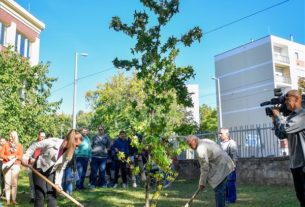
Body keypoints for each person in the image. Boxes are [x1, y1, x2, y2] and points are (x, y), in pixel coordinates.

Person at [22, 129, 83, 207]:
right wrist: (26, 157)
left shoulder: (69, 153)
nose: (77, 148)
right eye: (76, 145)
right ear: (71, 141)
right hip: (39, 169)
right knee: (41, 194)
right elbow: (35, 145)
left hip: (51, 171)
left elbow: (61, 169)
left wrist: (58, 183)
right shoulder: (53, 142)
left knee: (52, 194)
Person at [272, 89, 305, 207]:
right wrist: (274, 119)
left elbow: (285, 128)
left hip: (303, 164)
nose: (285, 102)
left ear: (297, 99)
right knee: (301, 197)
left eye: (287, 99)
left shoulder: (302, 115)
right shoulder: (291, 117)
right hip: (296, 164)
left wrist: (277, 115)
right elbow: (281, 134)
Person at [186, 135, 235, 207]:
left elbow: (204, 167)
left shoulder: (200, 150)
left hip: (222, 166)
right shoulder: (205, 141)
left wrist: (202, 183)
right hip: (225, 163)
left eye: (190, 144)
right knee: (220, 189)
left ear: (195, 141)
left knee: (219, 189)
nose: (190, 146)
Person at [0, 131, 23, 205]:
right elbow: (1, 154)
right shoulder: (6, 145)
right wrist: (7, 157)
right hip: (6, 165)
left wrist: (15, 157)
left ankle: (13, 199)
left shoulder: (19, 145)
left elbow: (21, 156)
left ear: (15, 137)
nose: (10, 138)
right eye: (10, 136)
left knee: (14, 183)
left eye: (12, 136)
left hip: (16, 165)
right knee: (7, 183)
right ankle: (8, 200)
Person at [219, 128, 238, 204]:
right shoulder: (220, 143)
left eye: (221, 133)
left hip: (230, 166)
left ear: (226, 135)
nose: (219, 135)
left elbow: (234, 156)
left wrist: (233, 167)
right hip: (222, 167)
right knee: (224, 184)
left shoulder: (232, 143)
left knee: (230, 183)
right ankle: (226, 199)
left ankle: (232, 199)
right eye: (219, 133)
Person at [28, 131, 46, 203]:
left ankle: (41, 196)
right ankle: (32, 197)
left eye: (44, 137)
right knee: (32, 181)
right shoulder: (33, 143)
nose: (42, 138)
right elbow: (28, 152)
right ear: (38, 136)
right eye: (41, 136)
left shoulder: (46, 144)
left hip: (41, 165)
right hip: (32, 164)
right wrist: (30, 158)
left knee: (41, 182)